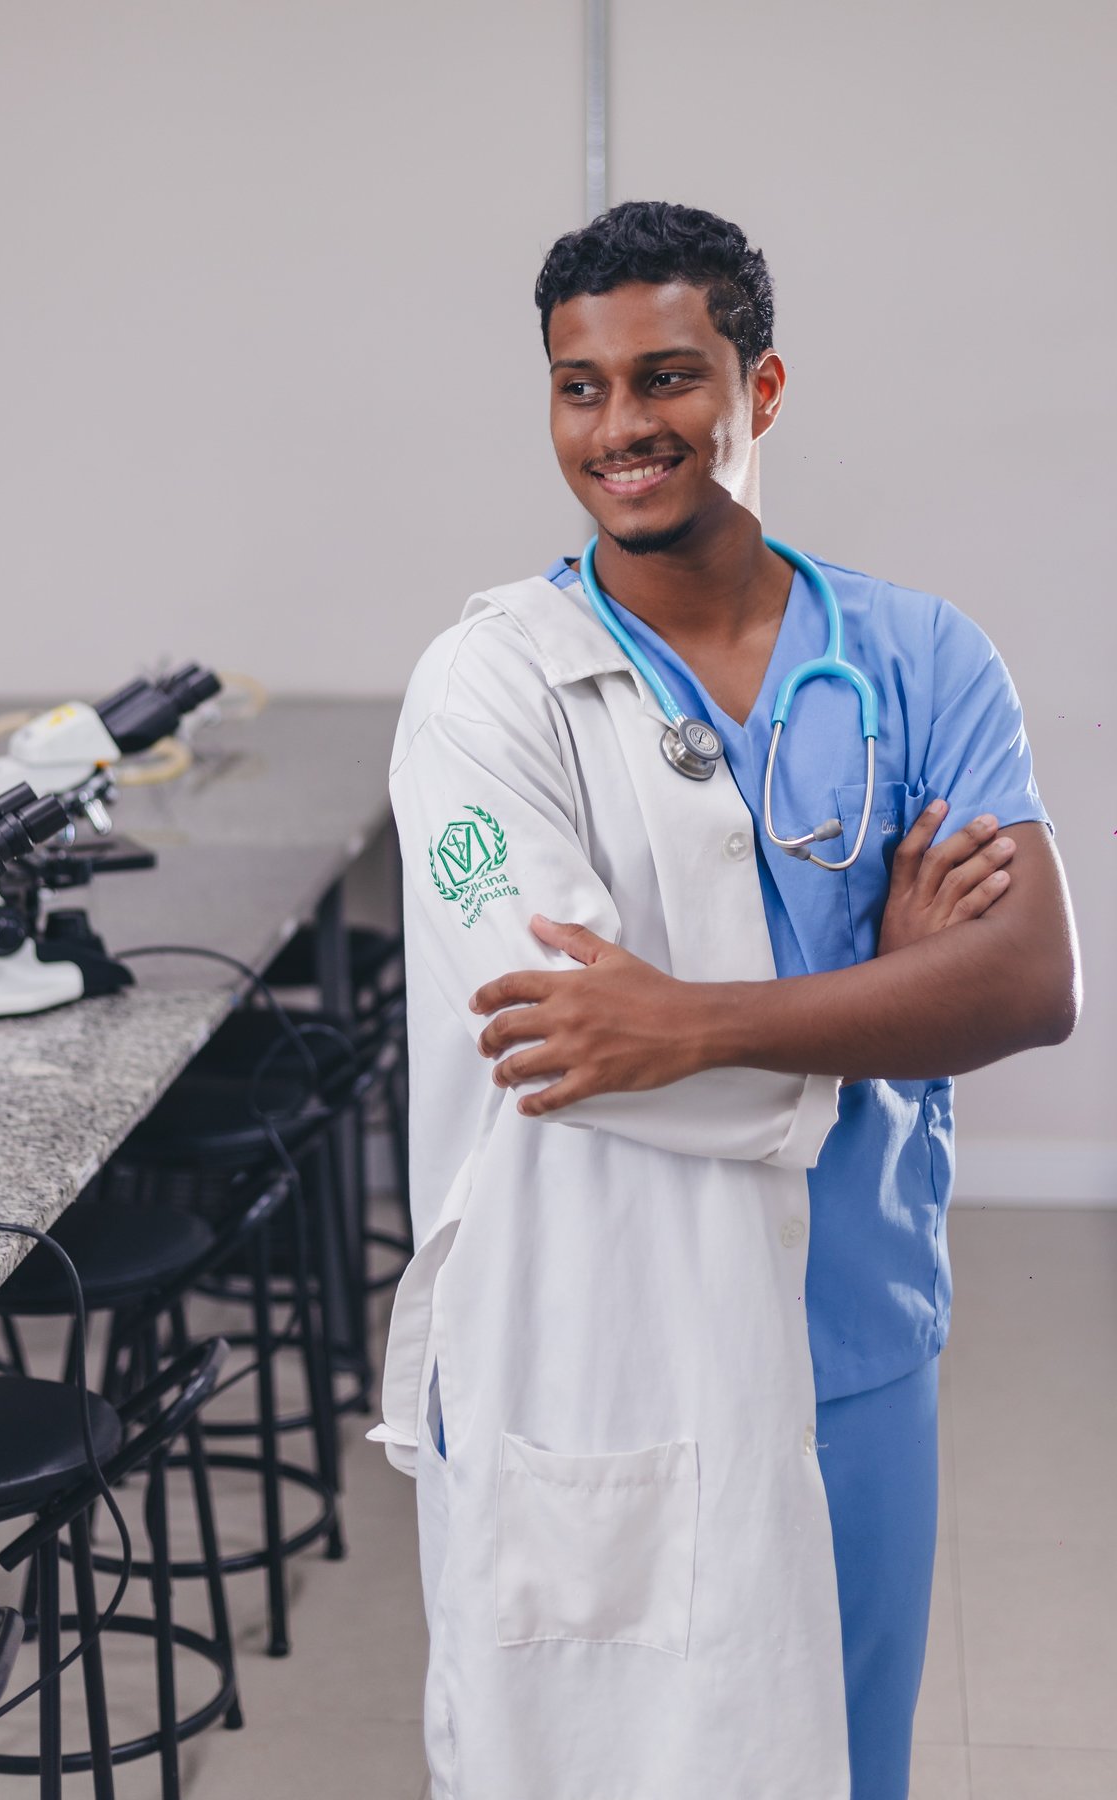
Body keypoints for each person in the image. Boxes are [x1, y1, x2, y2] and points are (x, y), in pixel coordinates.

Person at [370, 201, 1078, 1800]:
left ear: (761, 388)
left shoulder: (916, 656)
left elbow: (1029, 982)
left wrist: (692, 1019)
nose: (622, 427)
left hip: (856, 1330)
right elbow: (569, 1037)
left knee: (847, 1756)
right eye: (580, 386)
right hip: (599, 1338)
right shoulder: (493, 684)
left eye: (668, 376)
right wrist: (894, 992)